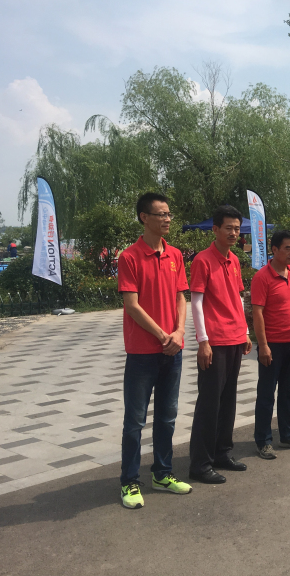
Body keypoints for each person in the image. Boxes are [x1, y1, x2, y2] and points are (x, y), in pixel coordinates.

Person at [117, 192, 193, 509]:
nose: (167, 219)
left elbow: (181, 297)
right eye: (161, 214)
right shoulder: (129, 257)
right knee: (135, 420)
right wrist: (163, 334)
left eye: (169, 214)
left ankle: (162, 473)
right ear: (144, 217)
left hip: (172, 350)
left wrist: (179, 332)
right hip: (142, 352)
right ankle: (129, 481)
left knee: (167, 416)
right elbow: (131, 305)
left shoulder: (175, 255)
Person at [188, 205, 253, 484]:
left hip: (235, 337)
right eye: (229, 228)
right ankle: (200, 463)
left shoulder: (234, 260)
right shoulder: (202, 260)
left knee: (228, 401)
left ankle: (222, 452)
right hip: (214, 340)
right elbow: (196, 302)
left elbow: (238, 297)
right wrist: (203, 340)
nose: (234, 233)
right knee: (209, 403)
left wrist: (245, 331)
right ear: (215, 229)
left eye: (237, 228)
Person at [251, 230, 290, 459]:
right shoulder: (262, 277)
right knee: (267, 394)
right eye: (288, 248)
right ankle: (263, 441)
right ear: (274, 249)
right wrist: (263, 345)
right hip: (273, 345)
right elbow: (257, 313)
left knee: (289, 391)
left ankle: (287, 435)